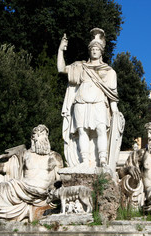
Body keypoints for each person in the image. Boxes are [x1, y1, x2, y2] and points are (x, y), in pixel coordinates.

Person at [0, 125, 63, 222]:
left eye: (43, 135)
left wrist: (54, 191)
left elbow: (61, 180)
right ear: (32, 139)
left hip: (43, 192)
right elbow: (4, 167)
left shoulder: (55, 156)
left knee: (8, 186)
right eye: (37, 136)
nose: (39, 139)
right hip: (24, 187)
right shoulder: (25, 155)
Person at [57, 28, 122, 168]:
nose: (94, 51)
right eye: (92, 49)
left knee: (100, 129)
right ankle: (85, 161)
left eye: (97, 49)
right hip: (80, 102)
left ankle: (103, 159)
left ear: (101, 52)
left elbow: (113, 96)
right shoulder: (81, 67)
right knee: (82, 131)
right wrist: (61, 50)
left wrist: (114, 110)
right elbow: (61, 69)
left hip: (99, 101)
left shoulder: (109, 71)